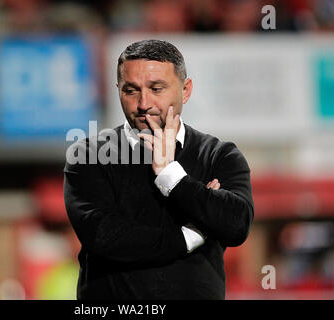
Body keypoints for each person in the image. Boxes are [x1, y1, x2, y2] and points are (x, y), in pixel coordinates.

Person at [63, 39, 254, 299]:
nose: (143, 103)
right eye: (131, 91)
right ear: (118, 90)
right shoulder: (89, 156)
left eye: (156, 88)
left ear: (185, 90)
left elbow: (236, 225)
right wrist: (190, 236)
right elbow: (106, 238)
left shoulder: (219, 155)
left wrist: (172, 177)